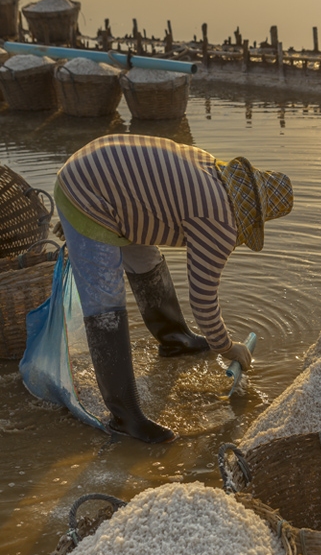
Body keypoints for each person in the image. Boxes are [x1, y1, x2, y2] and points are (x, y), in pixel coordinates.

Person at [54, 134, 293, 444]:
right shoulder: (219, 220)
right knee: (105, 299)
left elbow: (147, 188)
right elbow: (204, 302)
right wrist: (230, 348)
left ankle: (174, 338)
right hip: (88, 193)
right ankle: (125, 418)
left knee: (145, 257)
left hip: (97, 174)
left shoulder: (212, 169)